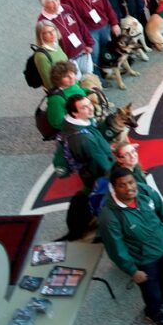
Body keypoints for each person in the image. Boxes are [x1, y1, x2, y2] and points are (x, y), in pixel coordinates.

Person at [98, 166, 163, 325]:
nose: (129, 188)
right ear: (114, 188)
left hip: (161, 249)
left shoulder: (145, 192)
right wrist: (132, 270)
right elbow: (116, 248)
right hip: (143, 260)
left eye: (131, 182)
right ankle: (153, 312)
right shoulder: (110, 216)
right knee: (151, 291)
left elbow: (162, 211)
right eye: (122, 185)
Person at [58, 94, 115, 240]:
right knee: (105, 201)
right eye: (84, 107)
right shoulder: (84, 139)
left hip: (88, 172)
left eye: (89, 103)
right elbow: (102, 163)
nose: (90, 108)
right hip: (97, 175)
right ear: (75, 113)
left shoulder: (71, 126)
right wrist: (118, 173)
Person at [61, 0, 120, 67]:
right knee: (94, 55)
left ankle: (109, 69)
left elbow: (107, 5)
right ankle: (97, 79)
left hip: (104, 25)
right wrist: (83, 41)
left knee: (107, 49)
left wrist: (114, 23)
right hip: (90, 32)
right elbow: (73, 23)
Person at [37, 0, 94, 75]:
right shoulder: (43, 22)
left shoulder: (66, 8)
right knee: (76, 80)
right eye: (51, 2)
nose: (55, 4)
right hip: (67, 59)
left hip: (83, 51)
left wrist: (89, 43)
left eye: (56, 0)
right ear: (44, 5)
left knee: (89, 76)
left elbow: (81, 25)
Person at [45, 61, 90, 131]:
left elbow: (80, 92)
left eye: (72, 73)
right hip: (76, 128)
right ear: (58, 79)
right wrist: (80, 122)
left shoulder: (73, 84)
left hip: (85, 115)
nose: (72, 77)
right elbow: (57, 123)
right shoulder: (56, 99)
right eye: (66, 76)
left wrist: (89, 91)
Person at [32, 21, 70, 90]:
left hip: (71, 83)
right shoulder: (41, 56)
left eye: (53, 30)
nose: (52, 34)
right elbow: (48, 83)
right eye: (47, 32)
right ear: (41, 36)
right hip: (63, 91)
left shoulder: (56, 45)